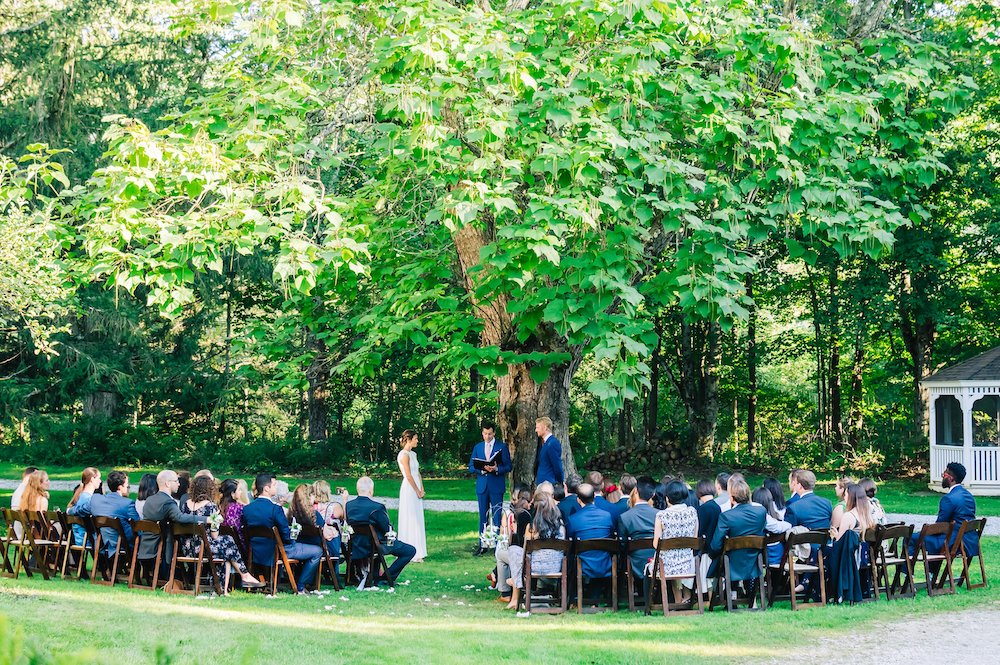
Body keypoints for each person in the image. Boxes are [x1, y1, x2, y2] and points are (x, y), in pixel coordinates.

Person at [181, 475, 264, 590]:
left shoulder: (185, 504)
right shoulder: (210, 506)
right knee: (228, 543)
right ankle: (244, 576)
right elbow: (214, 535)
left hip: (187, 548)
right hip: (203, 549)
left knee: (226, 551)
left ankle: (227, 587)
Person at [244, 473, 323, 594]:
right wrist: (293, 541)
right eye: (274, 485)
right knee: (317, 551)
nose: (276, 487)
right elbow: (285, 534)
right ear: (266, 488)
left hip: (255, 551)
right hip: (278, 550)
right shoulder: (275, 509)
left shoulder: (247, 509)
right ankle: (300, 586)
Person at [345, 476, 415, 586]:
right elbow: (386, 529)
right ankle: (387, 577)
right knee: (410, 550)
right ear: (371, 490)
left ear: (358, 489)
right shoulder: (377, 507)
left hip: (357, 544)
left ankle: (375, 576)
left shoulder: (349, 505)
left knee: (377, 542)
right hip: (376, 545)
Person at [137, 470, 207, 578]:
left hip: (146, 546)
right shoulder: (168, 502)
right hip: (162, 549)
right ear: (167, 483)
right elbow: (180, 517)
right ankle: (191, 577)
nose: (179, 484)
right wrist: (206, 519)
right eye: (176, 481)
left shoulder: (149, 500)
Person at [505, 488, 566, 610]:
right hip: (556, 566)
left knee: (513, 549)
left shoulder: (532, 528)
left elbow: (525, 551)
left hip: (534, 568)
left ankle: (517, 582)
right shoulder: (561, 527)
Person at [909, 462, 978, 558]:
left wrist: (923, 532)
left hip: (953, 543)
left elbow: (939, 526)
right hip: (969, 543)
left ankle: (907, 572)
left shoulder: (948, 499)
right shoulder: (969, 496)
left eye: (944, 474)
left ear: (951, 478)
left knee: (911, 538)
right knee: (932, 538)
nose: (942, 476)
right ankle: (932, 572)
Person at [708, 474, 766, 587]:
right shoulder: (761, 512)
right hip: (753, 558)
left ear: (732, 498)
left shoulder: (726, 516)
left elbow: (715, 545)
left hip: (732, 563)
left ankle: (731, 595)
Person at [653, 480, 699, 604]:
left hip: (667, 566)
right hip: (687, 564)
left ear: (667, 498)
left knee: (651, 567)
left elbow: (656, 544)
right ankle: (681, 602)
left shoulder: (661, 515)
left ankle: (672, 602)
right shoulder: (692, 512)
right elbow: (694, 539)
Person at [469, 420, 511, 556]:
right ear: (482, 433)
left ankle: (498, 545)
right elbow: (471, 466)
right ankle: (483, 544)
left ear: (494, 433)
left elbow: (508, 466)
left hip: (496, 485)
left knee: (497, 515)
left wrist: (496, 469)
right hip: (482, 486)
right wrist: (481, 470)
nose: (487, 436)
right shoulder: (478, 447)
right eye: (485, 434)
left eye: (490, 434)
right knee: (483, 516)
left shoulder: (502, 446)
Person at [568, 484, 615, 581]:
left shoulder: (573, 519)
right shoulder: (607, 516)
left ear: (578, 500)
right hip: (605, 564)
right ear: (594, 496)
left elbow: (570, 544)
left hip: (583, 565)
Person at [494, 489, 532, 603]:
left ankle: (505, 593)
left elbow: (518, 545)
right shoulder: (535, 518)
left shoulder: (521, 521)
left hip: (523, 559)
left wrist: (513, 532)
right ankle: (495, 575)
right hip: (537, 559)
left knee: (500, 554)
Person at [618, 476, 659, 583]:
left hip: (635, 563)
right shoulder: (659, 515)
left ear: (635, 491)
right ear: (653, 494)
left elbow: (622, 544)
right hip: (657, 561)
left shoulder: (625, 517)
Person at [396, 429, 428, 562]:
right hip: (409, 489)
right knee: (411, 517)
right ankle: (411, 551)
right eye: (415, 438)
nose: (417, 441)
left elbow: (417, 473)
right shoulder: (404, 455)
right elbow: (408, 475)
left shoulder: (413, 454)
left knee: (418, 517)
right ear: (408, 440)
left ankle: (419, 549)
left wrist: (422, 488)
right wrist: (416, 490)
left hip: (416, 487)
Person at [90, 471, 139, 555]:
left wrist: (69, 510)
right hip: (125, 545)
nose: (128, 487)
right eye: (127, 485)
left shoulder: (96, 500)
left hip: (104, 544)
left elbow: (79, 508)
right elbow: (138, 526)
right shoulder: (127, 504)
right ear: (120, 487)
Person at [751, 487, 791, 566]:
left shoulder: (758, 516)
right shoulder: (773, 518)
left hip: (758, 554)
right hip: (776, 555)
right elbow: (780, 527)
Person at [67, 467, 101, 545]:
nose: (100, 481)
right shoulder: (88, 499)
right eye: (98, 478)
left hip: (79, 538)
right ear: (92, 479)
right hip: (87, 539)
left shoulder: (80, 496)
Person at [533, 416, 564, 487]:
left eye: (538, 427)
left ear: (545, 427)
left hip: (549, 483)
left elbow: (557, 465)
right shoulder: (545, 443)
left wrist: (559, 482)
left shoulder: (552, 443)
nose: (536, 430)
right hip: (543, 483)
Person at [219, 478, 247, 546]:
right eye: (239, 490)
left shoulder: (219, 506)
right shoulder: (239, 508)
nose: (241, 492)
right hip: (239, 545)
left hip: (222, 543)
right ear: (232, 493)